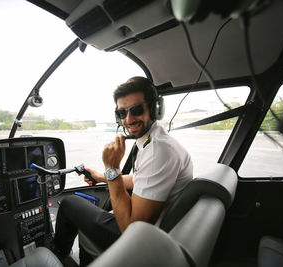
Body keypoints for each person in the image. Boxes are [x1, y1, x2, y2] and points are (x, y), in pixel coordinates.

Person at [53, 76, 193, 265]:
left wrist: (112, 169)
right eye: (122, 113)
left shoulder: (158, 150)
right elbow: (142, 179)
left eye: (136, 110)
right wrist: (102, 177)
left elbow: (131, 230)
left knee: (69, 204)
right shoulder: (153, 141)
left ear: (154, 108)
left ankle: (58, 256)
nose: (128, 119)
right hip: (156, 231)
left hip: (143, 241)